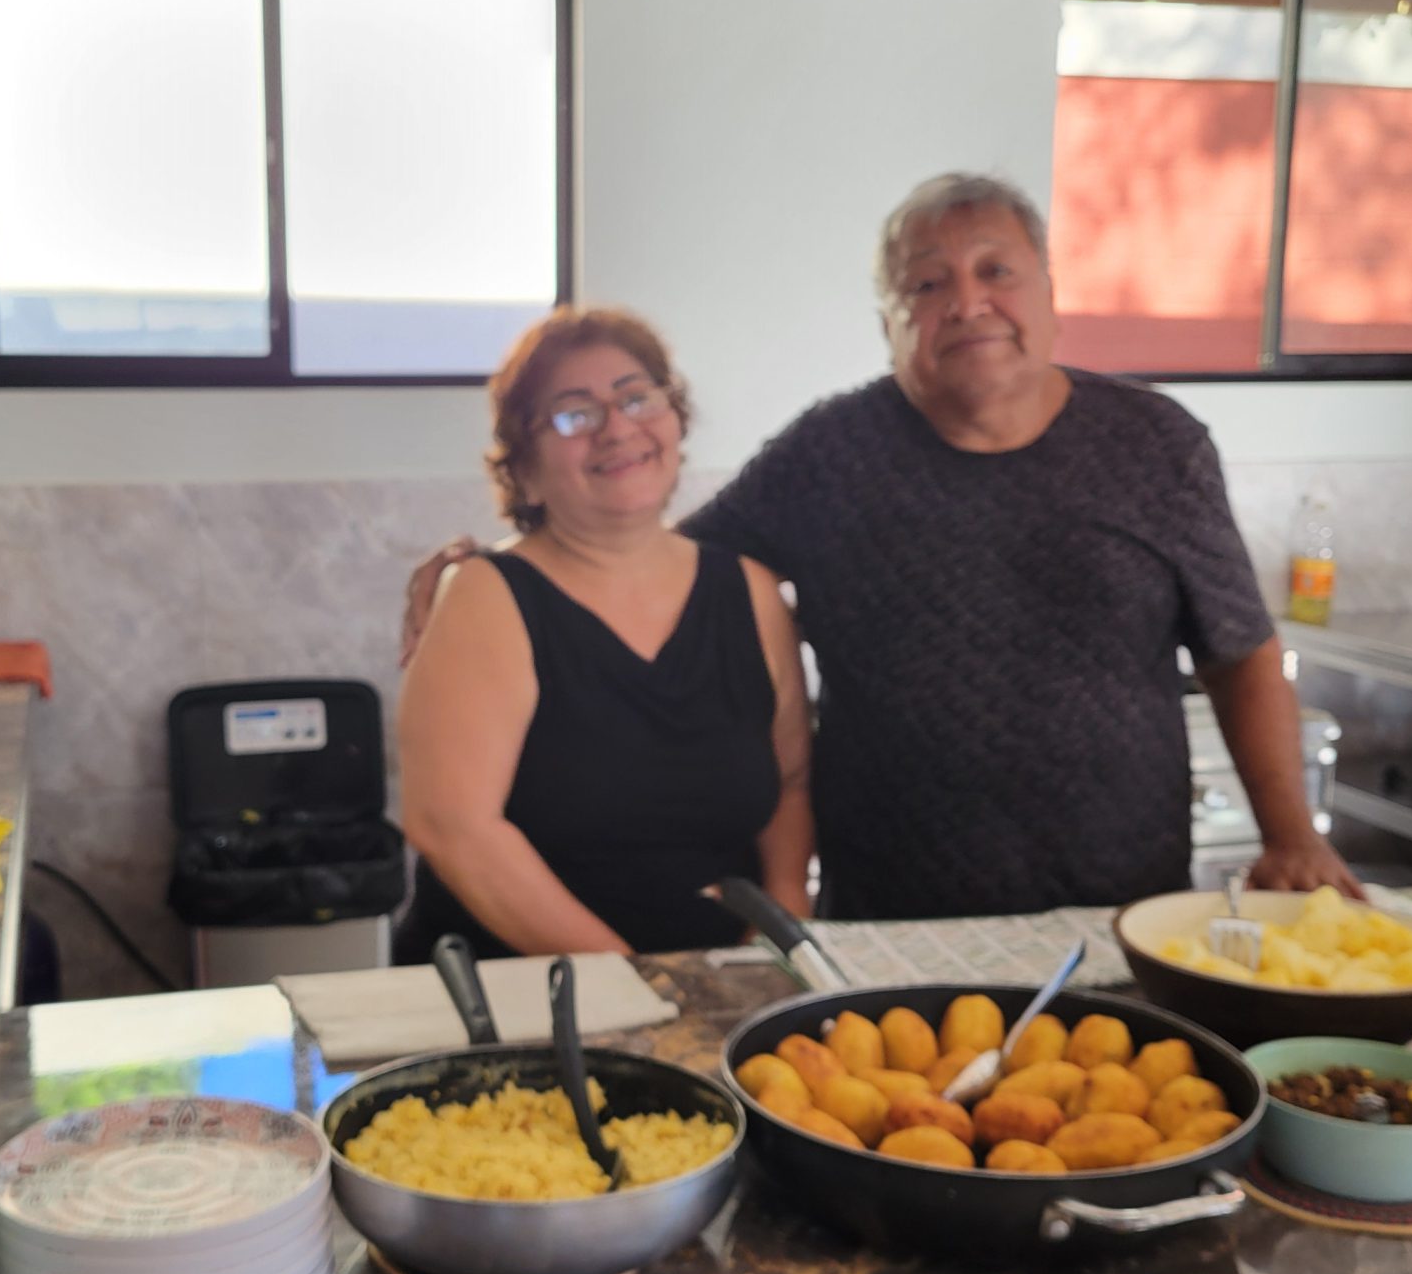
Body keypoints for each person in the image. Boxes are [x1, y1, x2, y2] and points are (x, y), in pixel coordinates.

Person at [405, 173, 1357, 921]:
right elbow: (638, 557)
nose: (968, 302)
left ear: (1050, 295)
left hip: (1120, 900)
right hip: (887, 913)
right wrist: (488, 583)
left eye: (997, 271)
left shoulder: (1158, 443)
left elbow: (1242, 648)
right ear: (889, 325)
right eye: (927, 284)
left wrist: (1292, 836)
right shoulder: (830, 451)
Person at [393, 307, 815, 959]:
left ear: (675, 423)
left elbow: (787, 785)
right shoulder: (486, 595)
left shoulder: (751, 592)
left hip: (722, 989)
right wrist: (632, 982)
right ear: (524, 468)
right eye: (574, 413)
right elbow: (450, 826)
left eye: (636, 397)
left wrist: (780, 926)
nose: (618, 427)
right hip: (522, 1001)